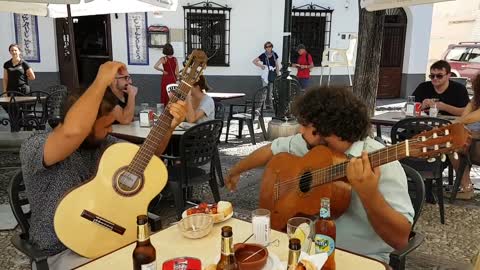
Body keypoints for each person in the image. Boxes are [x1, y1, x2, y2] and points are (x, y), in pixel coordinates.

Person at [19, 61, 187, 270]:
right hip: (59, 252)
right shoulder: (36, 146)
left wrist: (168, 127)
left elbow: (147, 157)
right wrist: (101, 81)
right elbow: (73, 132)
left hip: (111, 239)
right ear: (86, 123)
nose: (109, 131)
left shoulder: (103, 144)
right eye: (106, 125)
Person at [225, 86, 414, 263]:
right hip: (302, 250)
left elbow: (400, 240)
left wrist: (369, 194)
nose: (300, 130)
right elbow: (270, 150)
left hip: (358, 259)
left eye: (305, 125)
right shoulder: (312, 145)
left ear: (325, 130)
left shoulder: (382, 163)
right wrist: (236, 171)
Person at [452, 73, 480, 199]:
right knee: (452, 146)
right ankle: (466, 186)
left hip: (477, 148)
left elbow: (464, 120)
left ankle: (466, 186)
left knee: (452, 146)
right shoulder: (477, 100)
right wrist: (474, 101)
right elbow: (464, 118)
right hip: (474, 143)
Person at [252, 41, 280, 108]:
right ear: (265, 48)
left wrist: (278, 74)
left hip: (272, 74)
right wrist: (261, 66)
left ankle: (271, 105)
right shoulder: (263, 55)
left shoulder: (274, 54)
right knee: (264, 90)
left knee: (271, 91)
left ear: (271, 47)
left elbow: (277, 65)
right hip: (265, 74)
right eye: (267, 47)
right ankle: (263, 106)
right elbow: (254, 61)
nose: (268, 48)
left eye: (270, 46)